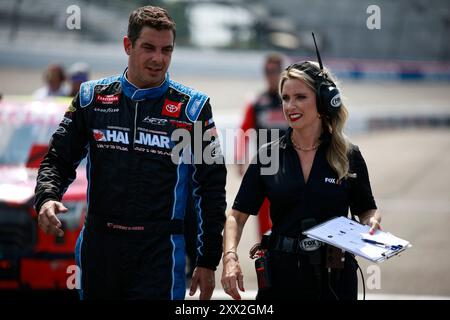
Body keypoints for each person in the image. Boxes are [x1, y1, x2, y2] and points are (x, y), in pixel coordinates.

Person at [34, 6, 227, 300]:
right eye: (148, 47)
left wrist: (207, 259)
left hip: (159, 252)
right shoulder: (91, 97)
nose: (158, 59)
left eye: (166, 50)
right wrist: (47, 197)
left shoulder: (194, 108)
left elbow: (212, 186)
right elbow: (58, 159)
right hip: (100, 248)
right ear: (128, 45)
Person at [221, 61, 381, 300]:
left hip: (334, 281)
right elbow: (236, 216)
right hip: (281, 278)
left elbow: (366, 209)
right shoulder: (269, 155)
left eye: (300, 97)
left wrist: (372, 222)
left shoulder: (348, 155)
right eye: (285, 98)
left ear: (323, 101)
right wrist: (230, 257)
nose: (289, 106)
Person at [235, 53, 289, 237]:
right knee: (265, 223)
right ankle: (267, 258)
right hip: (266, 167)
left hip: (292, 167)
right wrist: (240, 159)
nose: (271, 75)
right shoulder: (257, 103)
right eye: (267, 71)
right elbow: (243, 131)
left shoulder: (293, 102)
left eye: (275, 71)